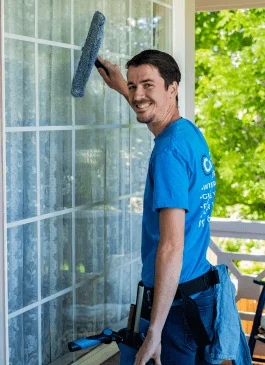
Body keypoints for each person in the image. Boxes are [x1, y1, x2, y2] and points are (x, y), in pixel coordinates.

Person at [96, 50, 218, 365]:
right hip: (197, 294)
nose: (138, 95)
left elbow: (171, 245)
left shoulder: (168, 154)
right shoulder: (188, 133)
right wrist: (125, 89)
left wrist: (155, 332)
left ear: (172, 88)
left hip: (175, 312)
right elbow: (154, 114)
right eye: (134, 86)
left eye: (148, 85)